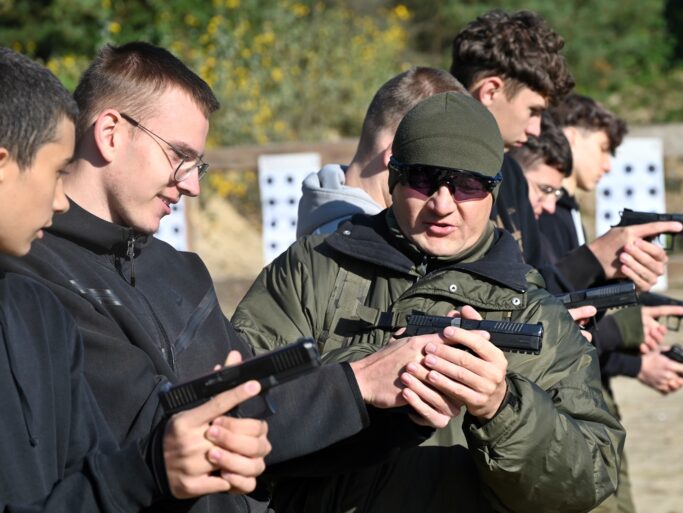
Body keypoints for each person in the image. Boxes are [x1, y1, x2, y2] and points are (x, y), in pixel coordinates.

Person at [0, 42, 456, 513]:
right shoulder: (30, 278)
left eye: (197, 164)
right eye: (179, 155)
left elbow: (264, 431)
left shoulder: (179, 269)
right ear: (112, 133)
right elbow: (163, 436)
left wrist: (402, 404)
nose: (193, 185)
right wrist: (356, 383)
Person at [233, 92, 625, 513]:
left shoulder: (532, 310)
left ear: (494, 191)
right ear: (393, 178)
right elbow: (235, 410)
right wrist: (368, 374)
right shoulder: (313, 268)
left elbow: (588, 479)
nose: (442, 204)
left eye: (467, 185)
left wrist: (500, 406)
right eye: (423, 179)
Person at [0, 46, 271, 512]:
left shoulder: (35, 312)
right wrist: (153, 470)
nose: (60, 199)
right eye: (55, 171)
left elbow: (81, 476)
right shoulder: (45, 284)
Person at [539, 93, 683, 513]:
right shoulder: (545, 211)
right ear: (571, 135)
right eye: (603, 148)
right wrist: (632, 349)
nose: (609, 163)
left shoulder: (565, 209)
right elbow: (552, 320)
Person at [450, 9, 679, 294]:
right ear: (490, 92)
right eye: (533, 111)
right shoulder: (424, 175)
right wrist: (590, 261)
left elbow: (536, 293)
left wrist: (610, 273)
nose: (536, 129)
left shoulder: (510, 174)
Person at [296, 66, 467, 236]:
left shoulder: (324, 217)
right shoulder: (362, 248)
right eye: (436, 170)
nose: (445, 202)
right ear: (395, 155)